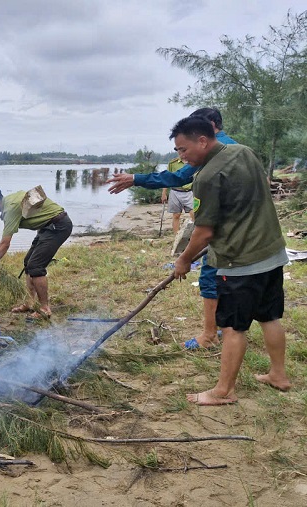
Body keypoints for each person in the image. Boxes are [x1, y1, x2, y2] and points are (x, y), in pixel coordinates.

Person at [169, 116, 291, 405]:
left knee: (234, 327)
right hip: (271, 252)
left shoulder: (207, 177)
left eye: (183, 150)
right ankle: (279, 375)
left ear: (202, 140)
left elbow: (203, 231)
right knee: (269, 316)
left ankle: (223, 391)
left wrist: (184, 260)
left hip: (240, 261)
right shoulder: (244, 152)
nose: (181, 157)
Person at [107, 108, 237, 350]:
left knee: (210, 277)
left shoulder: (215, 152)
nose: (183, 153)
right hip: (243, 229)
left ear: (208, 128)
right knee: (232, 279)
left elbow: (179, 178)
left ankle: (210, 334)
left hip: (224, 229)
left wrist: (136, 178)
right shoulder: (235, 148)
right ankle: (227, 327)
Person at [0, 184, 72, 319]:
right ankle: (30, 302)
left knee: (36, 266)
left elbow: (5, 243)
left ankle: (44, 308)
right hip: (46, 227)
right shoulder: (10, 201)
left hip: (58, 226)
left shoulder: (10, 208)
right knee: (28, 262)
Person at [160, 156, 194, 236]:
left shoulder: (193, 161)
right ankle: (176, 236)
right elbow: (167, 178)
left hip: (189, 191)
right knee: (176, 215)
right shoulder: (173, 163)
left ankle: (194, 235)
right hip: (175, 191)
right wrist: (164, 193)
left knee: (194, 214)